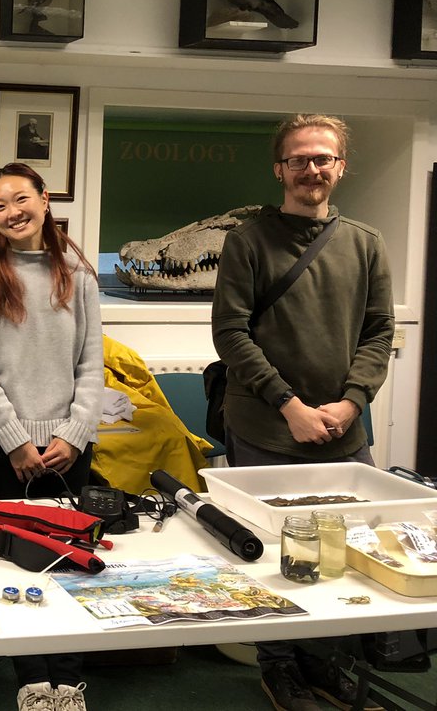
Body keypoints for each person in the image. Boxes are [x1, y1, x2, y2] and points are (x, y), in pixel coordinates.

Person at [212, 113, 393, 711]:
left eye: (323, 159)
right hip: (266, 424)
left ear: (340, 166)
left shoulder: (366, 244)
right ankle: (280, 669)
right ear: (279, 168)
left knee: (339, 555)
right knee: (273, 555)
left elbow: (378, 331)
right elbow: (232, 334)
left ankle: (323, 664)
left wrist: (352, 402)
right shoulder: (247, 241)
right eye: (299, 160)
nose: (311, 169)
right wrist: (288, 404)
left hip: (343, 430)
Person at [0, 162, 102, 711]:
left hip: (70, 447)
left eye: (21, 199)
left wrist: (76, 432)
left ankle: (68, 681)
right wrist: (15, 440)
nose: (12, 212)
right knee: (12, 563)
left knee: (68, 561)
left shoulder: (79, 274)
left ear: (44, 199)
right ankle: (31, 683)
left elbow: (91, 364)